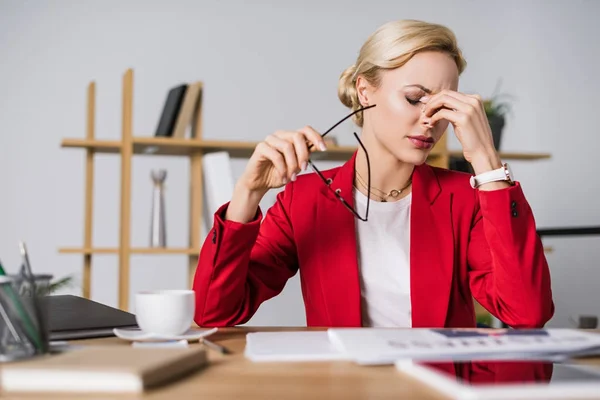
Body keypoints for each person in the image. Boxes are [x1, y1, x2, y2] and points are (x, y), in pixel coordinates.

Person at [192, 19, 554, 329]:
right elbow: (214, 312)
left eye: (445, 105)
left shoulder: (465, 199)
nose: (431, 120)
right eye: (415, 98)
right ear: (365, 91)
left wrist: (486, 160)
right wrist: (247, 194)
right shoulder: (302, 201)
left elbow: (526, 313)